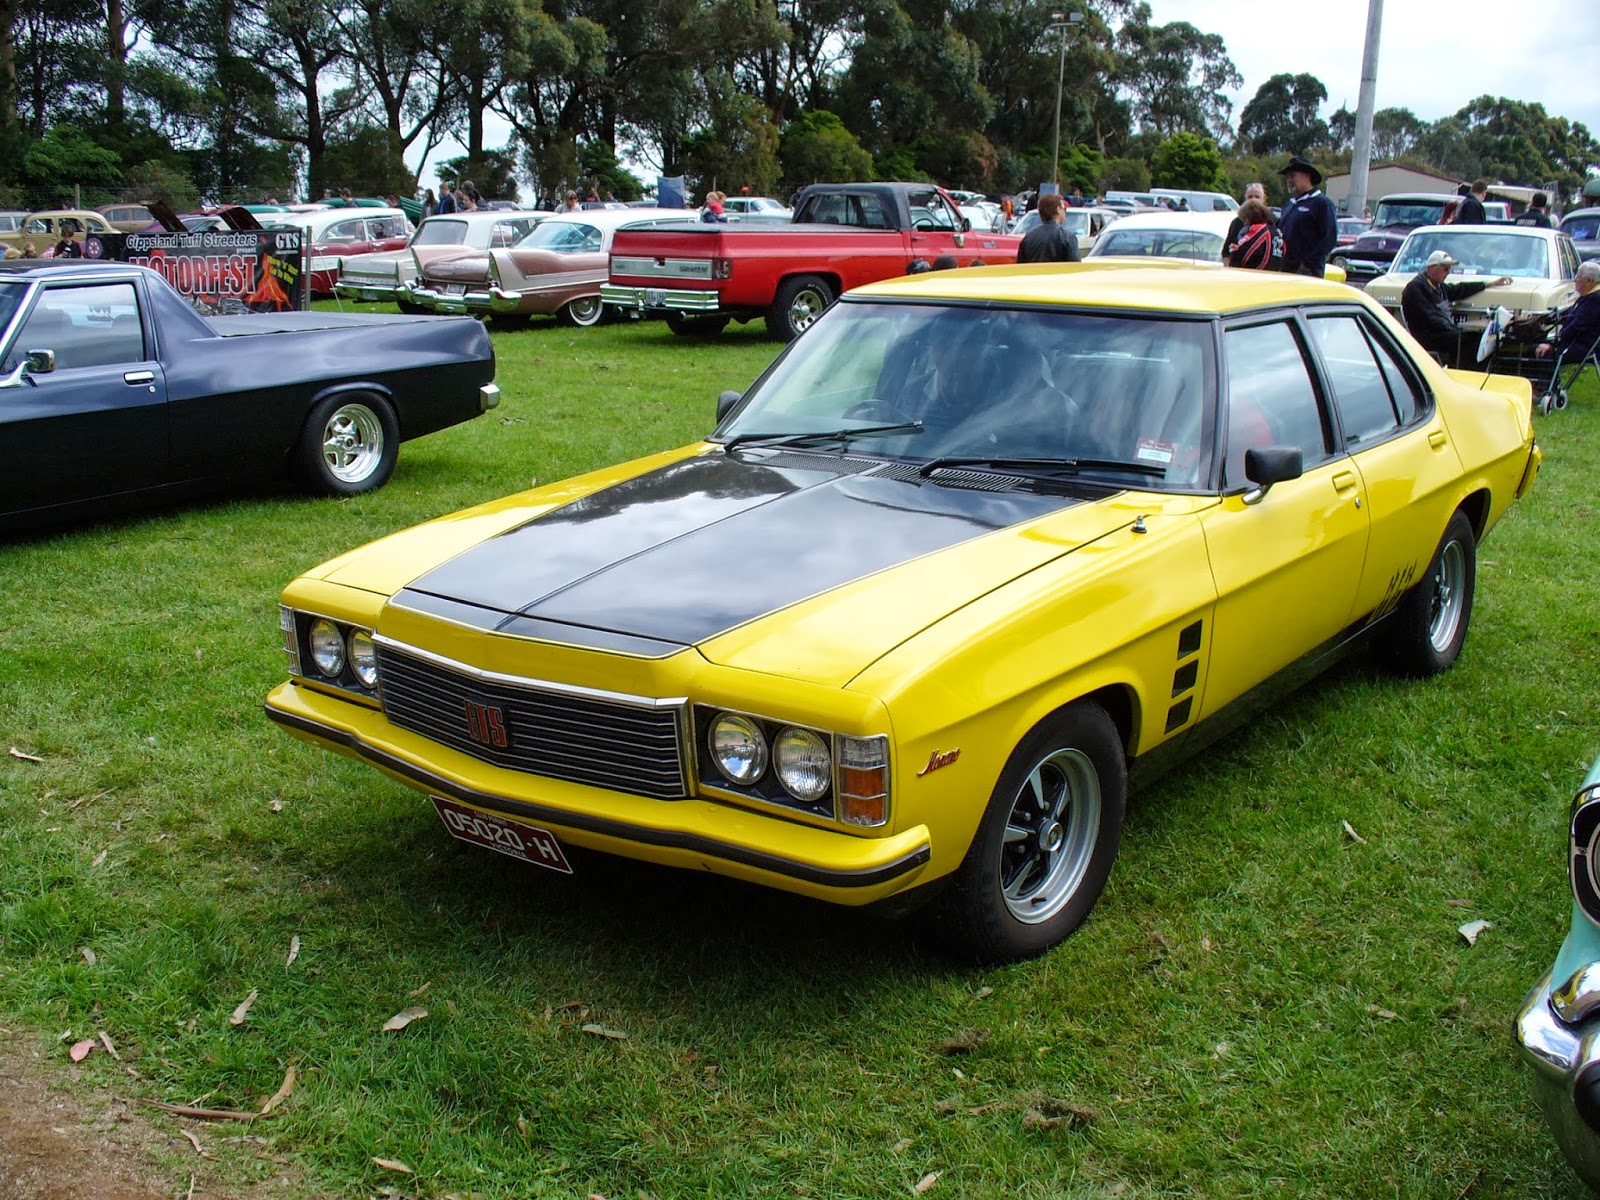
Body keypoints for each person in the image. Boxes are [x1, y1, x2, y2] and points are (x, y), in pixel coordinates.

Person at [1400, 249, 1511, 365]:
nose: (1448, 272)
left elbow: (1459, 289)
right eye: (1445, 269)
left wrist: (1489, 284)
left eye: (1449, 269)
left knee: (1476, 336)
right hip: (1429, 336)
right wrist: (1454, 328)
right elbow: (1429, 318)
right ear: (1432, 268)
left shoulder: (1437, 285)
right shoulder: (1416, 288)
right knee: (1467, 340)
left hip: (1442, 332)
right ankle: (1464, 369)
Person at [1534, 260, 1600, 374]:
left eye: (1578, 276)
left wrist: (1552, 343)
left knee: (1538, 350)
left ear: (1589, 281)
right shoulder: (1587, 297)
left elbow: (1576, 327)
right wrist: (1544, 319)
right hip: (1576, 343)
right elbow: (1567, 314)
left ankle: (1544, 387)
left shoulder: (1595, 299)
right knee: (1538, 343)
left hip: (1583, 348)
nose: (1575, 279)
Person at [1277, 155, 1337, 277]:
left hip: (1307, 272)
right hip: (1285, 269)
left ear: (1307, 176)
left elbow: (1329, 239)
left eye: (1293, 176)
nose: (1289, 180)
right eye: (1287, 177)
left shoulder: (1322, 203)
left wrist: (1307, 263)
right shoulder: (1290, 204)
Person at [1016, 192, 1080, 264]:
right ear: (1058, 209)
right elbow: (1075, 268)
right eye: (1064, 209)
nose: (1065, 212)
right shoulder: (1067, 237)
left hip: (1034, 274)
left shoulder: (1028, 237)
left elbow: (1020, 267)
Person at [1224, 199, 1283, 270]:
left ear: (1249, 217)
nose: (1244, 223)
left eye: (1244, 219)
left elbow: (1243, 252)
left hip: (1256, 275)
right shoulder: (1276, 232)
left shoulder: (1258, 230)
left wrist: (1233, 251)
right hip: (1275, 275)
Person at [1223, 182, 1268, 259]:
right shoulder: (1236, 223)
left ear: (1264, 199)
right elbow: (1226, 253)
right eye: (1250, 197)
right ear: (1245, 198)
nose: (1253, 200)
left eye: (1257, 197)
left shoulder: (1271, 222)